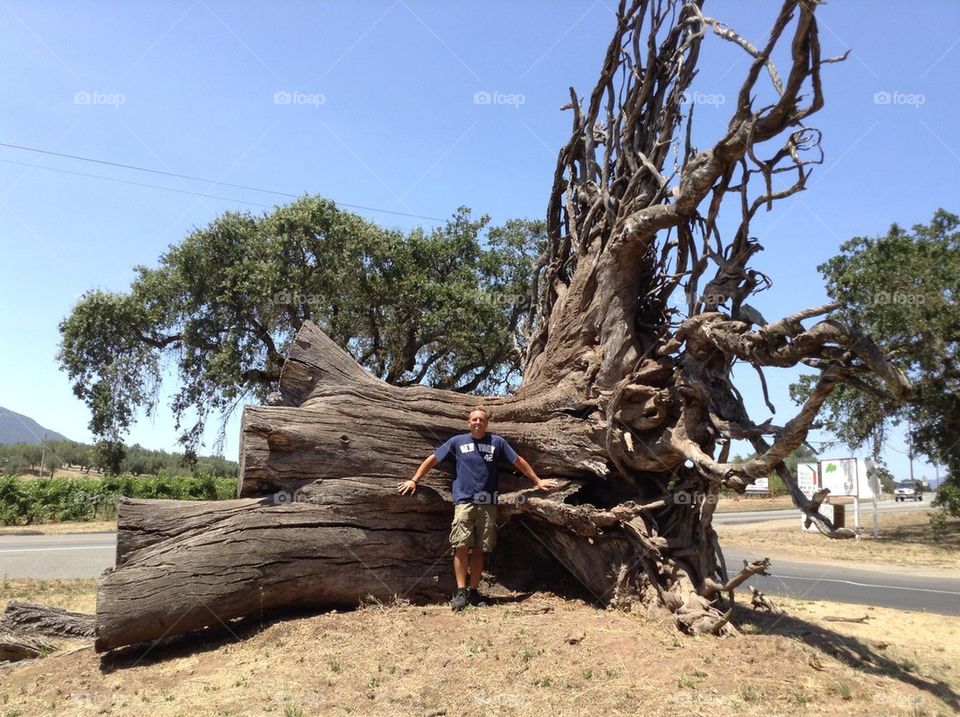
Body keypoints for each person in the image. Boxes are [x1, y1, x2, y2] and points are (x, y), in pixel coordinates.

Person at [397, 407, 558, 611]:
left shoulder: (496, 442)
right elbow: (433, 459)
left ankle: (474, 592)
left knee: (481, 548)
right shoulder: (457, 442)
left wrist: (537, 481)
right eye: (474, 419)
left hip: (488, 502)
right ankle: (461, 591)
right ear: (468, 422)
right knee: (461, 545)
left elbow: (517, 461)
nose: (477, 423)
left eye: (481, 420)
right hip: (464, 501)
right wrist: (414, 480)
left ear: (487, 423)